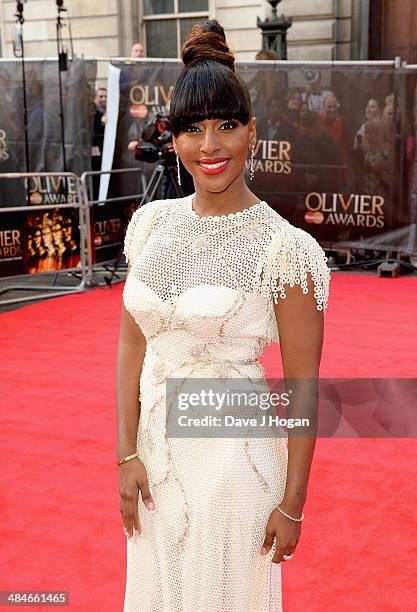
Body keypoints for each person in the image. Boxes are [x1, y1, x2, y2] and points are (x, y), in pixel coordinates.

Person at [116, 19, 331, 612]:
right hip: (155, 469)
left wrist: (292, 504)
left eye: (226, 126)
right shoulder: (153, 227)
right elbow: (133, 348)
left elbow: (303, 390)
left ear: (252, 133)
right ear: (174, 139)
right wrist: (126, 454)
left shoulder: (284, 249)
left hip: (234, 472)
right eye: (192, 130)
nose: (210, 146)